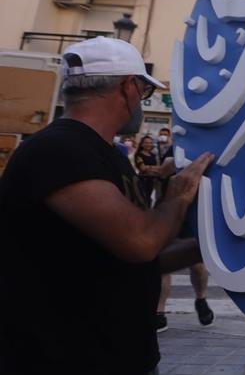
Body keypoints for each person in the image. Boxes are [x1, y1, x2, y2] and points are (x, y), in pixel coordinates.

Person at [0, 36, 213, 374]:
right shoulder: (59, 151)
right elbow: (140, 242)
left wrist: (216, 247)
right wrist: (178, 193)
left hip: (120, 355)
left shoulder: (103, 155)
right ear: (129, 88)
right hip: (66, 359)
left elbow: (142, 256)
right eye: (143, 93)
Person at [150, 127, 215, 331]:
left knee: (196, 263)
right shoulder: (175, 150)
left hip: (193, 213)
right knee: (160, 262)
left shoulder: (212, 152)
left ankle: (200, 298)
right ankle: (159, 312)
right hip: (167, 209)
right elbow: (162, 173)